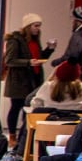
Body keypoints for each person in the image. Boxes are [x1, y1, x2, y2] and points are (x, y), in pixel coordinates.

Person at [3, 12, 54, 140]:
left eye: (39, 26)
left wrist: (49, 49)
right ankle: (12, 136)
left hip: (34, 80)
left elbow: (39, 58)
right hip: (19, 81)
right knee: (16, 108)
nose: (38, 28)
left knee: (29, 109)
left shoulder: (35, 41)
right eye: (36, 25)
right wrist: (28, 62)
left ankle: (24, 137)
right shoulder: (15, 40)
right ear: (28, 26)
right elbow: (9, 60)